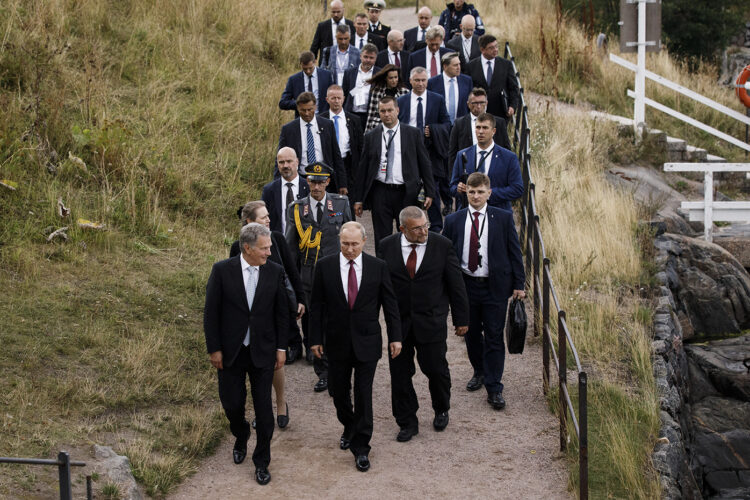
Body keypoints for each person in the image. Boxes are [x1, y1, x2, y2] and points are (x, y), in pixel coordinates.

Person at [309, 221, 402, 472]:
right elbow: (316, 306)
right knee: (338, 391)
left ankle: (361, 447)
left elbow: (390, 305)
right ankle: (349, 425)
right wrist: (315, 339)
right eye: (345, 244)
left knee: (364, 394)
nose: (349, 249)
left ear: (364, 241)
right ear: (339, 241)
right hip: (336, 342)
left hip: (367, 341)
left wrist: (396, 337)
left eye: (354, 244)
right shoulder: (324, 266)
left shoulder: (378, 267)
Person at [203, 223, 288, 485]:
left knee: (264, 411)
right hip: (230, 353)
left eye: (269, 247)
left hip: (263, 352)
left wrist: (281, 348)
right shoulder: (221, 271)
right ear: (247, 248)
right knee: (232, 403)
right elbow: (211, 313)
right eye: (264, 248)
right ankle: (240, 435)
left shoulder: (275, 272)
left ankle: (262, 461)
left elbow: (281, 314)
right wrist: (214, 348)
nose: (269, 253)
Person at [378, 206, 469, 442]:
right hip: (399, 324)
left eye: (425, 225)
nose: (423, 231)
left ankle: (441, 408)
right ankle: (407, 420)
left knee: (436, 370)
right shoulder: (386, 246)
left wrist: (462, 320)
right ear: (402, 229)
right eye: (417, 228)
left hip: (431, 321)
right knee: (399, 374)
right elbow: (379, 286)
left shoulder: (442, 245)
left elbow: (455, 285)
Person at [442, 173, 525, 410]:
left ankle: (494, 386)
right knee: (470, 334)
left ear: (489, 193)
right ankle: (479, 370)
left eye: (480, 192)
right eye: (471, 191)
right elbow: (446, 255)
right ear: (465, 192)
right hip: (466, 286)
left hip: (495, 287)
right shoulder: (454, 221)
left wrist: (519, 284)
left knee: (494, 336)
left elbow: (514, 252)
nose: (476, 196)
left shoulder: (503, 218)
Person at [230, 202, 306, 428]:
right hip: (252, 311)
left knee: (275, 360)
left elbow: (292, 270)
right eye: (263, 217)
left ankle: (281, 402)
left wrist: (300, 299)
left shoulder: (277, 239)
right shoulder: (238, 246)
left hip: (276, 308)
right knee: (256, 362)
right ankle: (262, 410)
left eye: (268, 215)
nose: (268, 220)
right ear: (249, 222)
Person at [285, 162, 353, 391]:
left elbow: (350, 237)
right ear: (307, 182)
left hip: (336, 274)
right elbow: (291, 248)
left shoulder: (341, 204)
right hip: (309, 274)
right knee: (314, 322)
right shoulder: (296, 209)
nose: (316, 186)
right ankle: (323, 371)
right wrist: (292, 282)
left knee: (337, 322)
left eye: (320, 181)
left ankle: (339, 368)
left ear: (328, 182)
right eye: (312, 181)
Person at [355, 96, 435, 253]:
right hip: (380, 191)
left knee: (407, 234)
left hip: (405, 191)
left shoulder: (412, 133)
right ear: (378, 113)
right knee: (381, 237)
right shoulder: (371, 136)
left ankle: (404, 267)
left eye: (390, 110)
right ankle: (382, 270)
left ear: (397, 110)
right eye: (382, 111)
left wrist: (430, 192)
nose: (387, 114)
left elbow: (425, 164)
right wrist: (358, 199)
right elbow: (363, 169)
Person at [397, 66, 451, 231]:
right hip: (408, 151)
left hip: (430, 150)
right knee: (409, 188)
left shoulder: (437, 99)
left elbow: (447, 123)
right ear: (410, 81)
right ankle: (409, 225)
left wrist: (433, 129)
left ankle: (435, 226)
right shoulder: (401, 101)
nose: (420, 84)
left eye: (423, 80)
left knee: (431, 187)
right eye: (417, 80)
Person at [277, 92, 348, 194]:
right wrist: (278, 183)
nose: (306, 113)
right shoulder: (288, 129)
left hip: (324, 179)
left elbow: (336, 156)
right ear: (297, 108)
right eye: (303, 110)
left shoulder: (327, 125)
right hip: (301, 179)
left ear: (315, 106)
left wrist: (342, 183)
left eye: (309, 110)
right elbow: (280, 158)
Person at [449, 113, 522, 211]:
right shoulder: (462, 155)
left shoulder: (508, 157)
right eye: (478, 127)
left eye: (485, 128)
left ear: (493, 131)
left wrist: (487, 193)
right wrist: (458, 189)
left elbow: (517, 189)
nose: (481, 132)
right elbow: (452, 186)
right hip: (469, 213)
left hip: (497, 212)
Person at [448, 88, 510, 171]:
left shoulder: (499, 123)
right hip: (467, 172)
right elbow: (452, 153)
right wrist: (454, 180)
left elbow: (506, 150)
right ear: (468, 104)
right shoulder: (459, 124)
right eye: (475, 103)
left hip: (494, 171)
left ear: (487, 103)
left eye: (482, 103)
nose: (479, 106)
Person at [321, 85, 364, 203]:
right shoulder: (320, 119)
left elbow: (360, 146)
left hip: (348, 166)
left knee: (347, 204)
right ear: (327, 99)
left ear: (343, 99)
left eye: (339, 98)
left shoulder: (354, 120)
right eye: (333, 98)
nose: (336, 101)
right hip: (327, 165)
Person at [467, 34, 520, 119]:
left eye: (496, 46)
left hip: (501, 113)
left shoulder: (506, 65)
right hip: (479, 112)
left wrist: (512, 106)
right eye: (491, 48)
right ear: (482, 49)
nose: (495, 50)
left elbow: (513, 88)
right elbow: (468, 89)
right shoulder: (471, 66)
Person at [262, 147, 310, 234]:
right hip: (278, 243)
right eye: (281, 162)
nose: (285, 166)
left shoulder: (309, 187)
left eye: (289, 161)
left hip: (305, 242)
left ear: (297, 162)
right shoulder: (269, 190)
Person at [427, 52, 473, 124]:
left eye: (459, 64)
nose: (458, 67)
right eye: (455, 65)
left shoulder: (467, 81)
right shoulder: (432, 83)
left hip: (461, 125)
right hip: (441, 126)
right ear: (445, 66)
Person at [341, 43, 380, 125]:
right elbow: (345, 93)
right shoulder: (349, 72)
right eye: (365, 57)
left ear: (376, 59)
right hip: (351, 114)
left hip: (370, 116)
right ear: (360, 56)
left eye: (371, 58)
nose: (368, 60)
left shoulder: (380, 74)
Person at [363, 64, 409, 132]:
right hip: (379, 126)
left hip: (398, 127)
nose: (394, 80)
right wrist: (367, 133)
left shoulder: (405, 92)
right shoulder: (377, 91)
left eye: (396, 77)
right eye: (391, 78)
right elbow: (371, 113)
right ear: (386, 78)